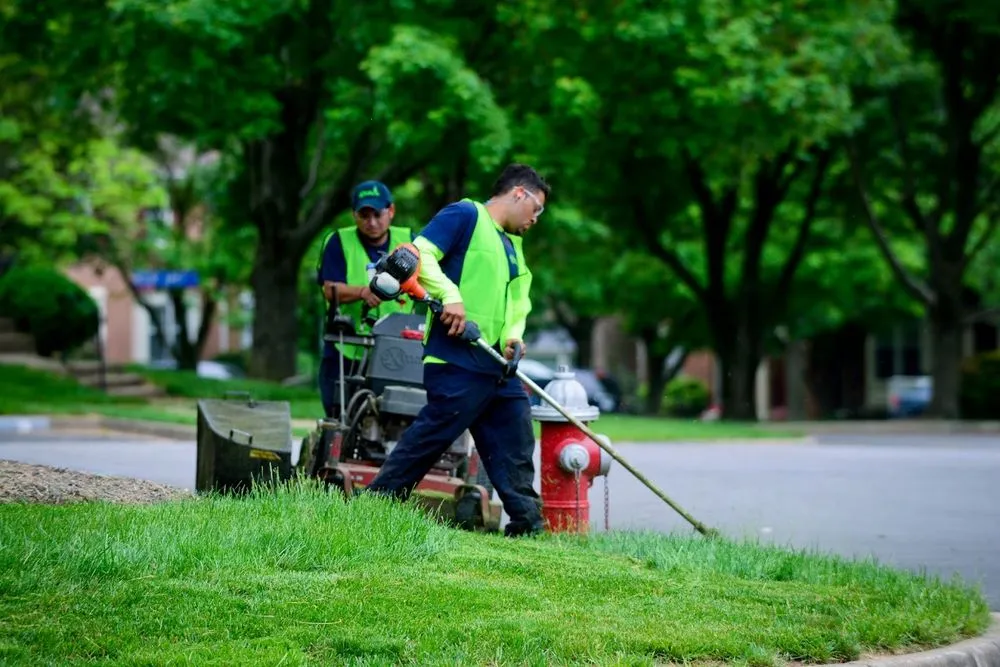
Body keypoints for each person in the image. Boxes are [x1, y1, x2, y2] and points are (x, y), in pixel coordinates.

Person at [364, 163, 550, 537]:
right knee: (434, 434)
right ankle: (376, 505)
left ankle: (527, 524)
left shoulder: (514, 246)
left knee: (515, 437)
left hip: (497, 365)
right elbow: (419, 253)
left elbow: (518, 303)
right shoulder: (465, 215)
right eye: (537, 209)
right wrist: (451, 297)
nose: (536, 219)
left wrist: (514, 336)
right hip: (456, 358)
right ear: (519, 194)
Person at [316, 180, 415, 418]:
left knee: (396, 414)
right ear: (354, 215)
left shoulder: (409, 242)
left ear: (391, 211)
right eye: (364, 215)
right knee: (338, 413)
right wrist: (362, 292)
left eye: (377, 214)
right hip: (346, 346)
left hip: (396, 348)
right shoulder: (338, 241)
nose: (371, 222)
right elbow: (329, 288)